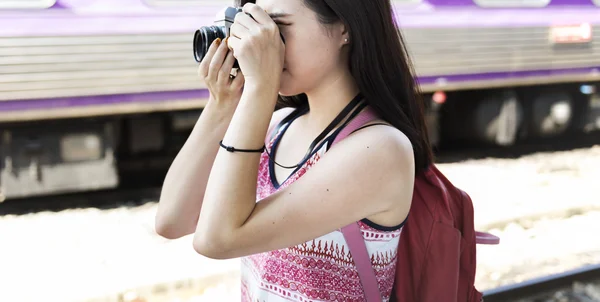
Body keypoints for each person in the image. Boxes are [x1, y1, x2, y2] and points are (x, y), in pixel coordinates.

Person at [155, 0, 434, 300]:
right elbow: (173, 220)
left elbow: (216, 240)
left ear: (346, 28)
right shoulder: (276, 126)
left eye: (277, 27)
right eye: (254, 26)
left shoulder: (380, 149)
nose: (261, 44)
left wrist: (261, 87)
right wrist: (221, 105)